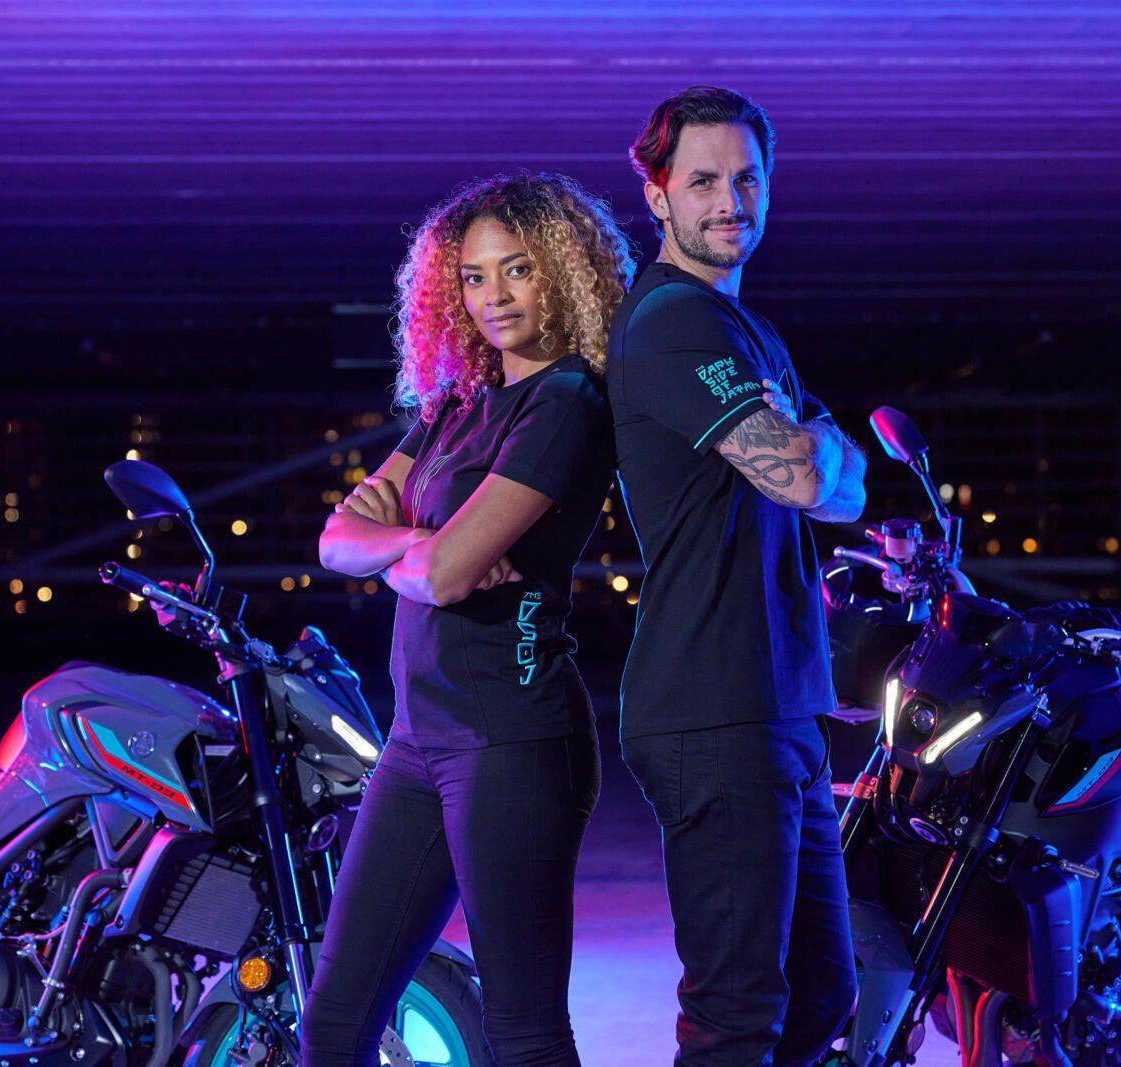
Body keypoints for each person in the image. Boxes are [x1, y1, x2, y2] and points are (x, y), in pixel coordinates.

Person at [303, 172, 634, 1067]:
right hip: (417, 740)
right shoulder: (457, 402)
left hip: (512, 738)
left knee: (524, 1032)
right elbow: (337, 540)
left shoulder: (566, 401)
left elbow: (448, 576)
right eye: (475, 278)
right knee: (332, 1022)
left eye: (517, 269)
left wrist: (416, 552)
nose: (495, 296)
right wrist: (418, 545)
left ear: (561, 270)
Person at [606, 86, 867, 1066]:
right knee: (736, 1013)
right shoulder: (674, 322)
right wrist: (812, 445)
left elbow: (843, 490)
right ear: (658, 195)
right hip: (713, 706)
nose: (730, 201)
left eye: (747, 179)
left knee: (819, 991)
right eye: (704, 180)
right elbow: (804, 474)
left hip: (776, 702)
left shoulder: (741, 326)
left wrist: (814, 450)